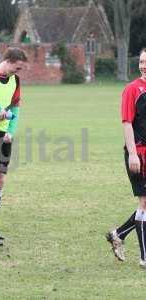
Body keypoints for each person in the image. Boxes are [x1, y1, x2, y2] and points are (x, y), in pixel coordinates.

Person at [0, 47, 28, 245]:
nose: (17, 72)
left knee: (0, 179)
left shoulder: (15, 81)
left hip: (4, 136)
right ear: (8, 61)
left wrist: (11, 130)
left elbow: (15, 109)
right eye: (16, 68)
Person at [106, 48, 146, 268]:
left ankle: (118, 234)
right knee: (145, 202)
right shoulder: (132, 89)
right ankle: (144, 257)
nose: (143, 66)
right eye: (141, 62)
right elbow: (127, 122)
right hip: (139, 153)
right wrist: (132, 153)